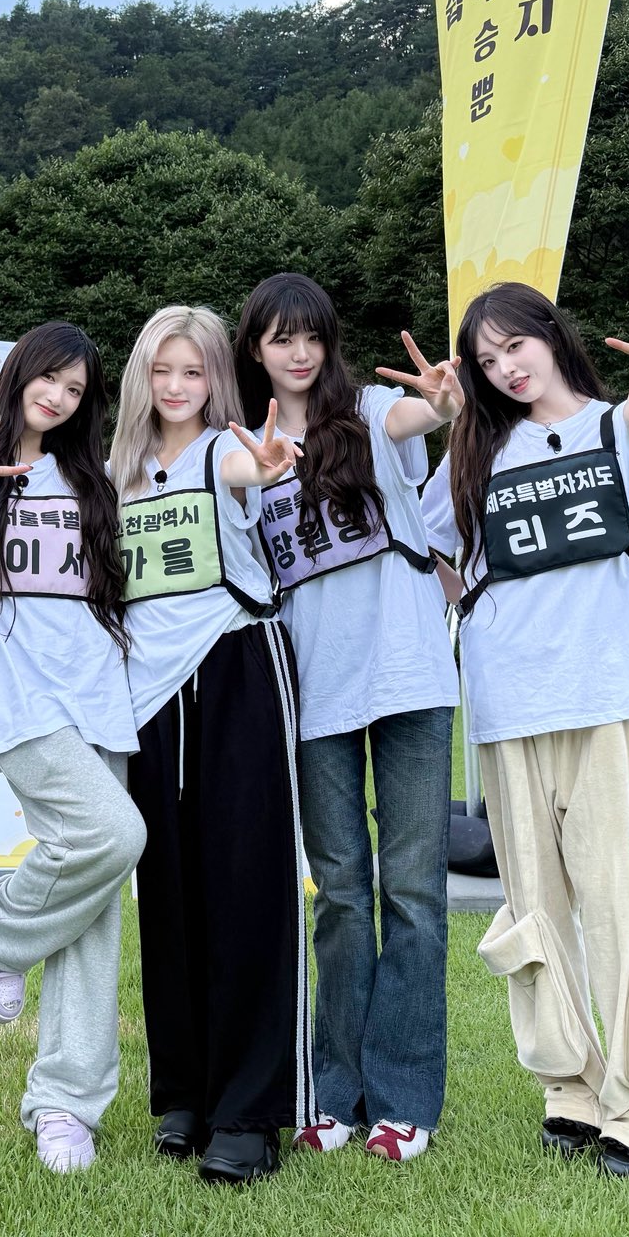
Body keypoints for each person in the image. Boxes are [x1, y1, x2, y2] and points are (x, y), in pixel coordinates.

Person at [420, 282, 629, 1181]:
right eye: (488, 358)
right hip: (507, 706)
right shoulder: (474, 451)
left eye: (516, 345)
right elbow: (422, 544)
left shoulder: (611, 427)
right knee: (535, 908)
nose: (506, 367)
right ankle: (571, 1088)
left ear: (550, 336)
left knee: (626, 904)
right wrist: (469, 598)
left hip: (604, 695)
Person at [232, 272, 462, 1164]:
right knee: (338, 894)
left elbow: (421, 416)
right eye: (280, 338)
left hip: (408, 676)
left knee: (414, 891)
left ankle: (403, 1097)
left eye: (312, 335)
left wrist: (441, 402)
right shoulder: (243, 448)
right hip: (313, 690)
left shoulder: (366, 412)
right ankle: (334, 1091)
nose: (299, 352)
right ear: (255, 350)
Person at [0, 321, 144, 1176]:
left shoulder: (95, 479)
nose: (57, 396)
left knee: (95, 911)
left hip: (98, 695)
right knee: (115, 836)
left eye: (76, 389)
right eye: (48, 378)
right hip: (17, 699)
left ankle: (65, 1106)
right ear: (18, 376)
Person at [109, 305, 311, 1185]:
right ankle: (184, 1094)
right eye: (162, 370)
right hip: (148, 694)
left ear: (216, 378)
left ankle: (251, 1111)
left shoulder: (225, 451)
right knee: (168, 890)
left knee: (247, 885)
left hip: (236, 666)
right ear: (141, 377)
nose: (176, 386)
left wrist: (262, 467)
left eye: (193, 371)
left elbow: (245, 470)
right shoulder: (117, 470)